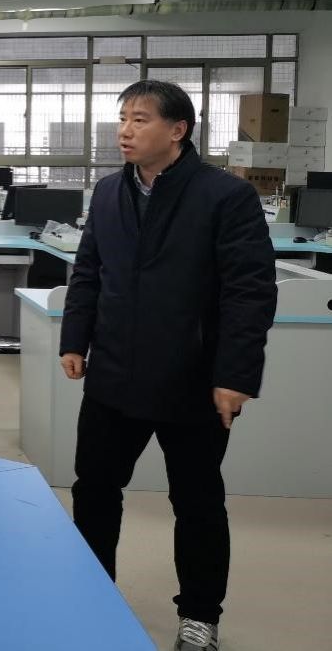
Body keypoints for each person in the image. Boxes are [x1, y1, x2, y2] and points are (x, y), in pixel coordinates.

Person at [60, 79, 276, 651]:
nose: (125, 131)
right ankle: (91, 595)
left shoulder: (225, 196)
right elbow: (89, 271)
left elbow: (249, 292)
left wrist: (235, 375)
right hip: (113, 376)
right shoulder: (109, 191)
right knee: (95, 490)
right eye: (122, 119)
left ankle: (200, 616)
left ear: (178, 130)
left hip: (193, 380)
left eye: (140, 120)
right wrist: (75, 338)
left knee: (197, 501)